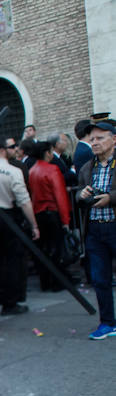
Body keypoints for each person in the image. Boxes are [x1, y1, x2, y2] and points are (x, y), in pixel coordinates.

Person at [0, 135, 40, 315]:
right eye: (12, 147)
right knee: (12, 261)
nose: (15, 150)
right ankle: (10, 302)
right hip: (9, 217)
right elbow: (24, 201)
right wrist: (33, 225)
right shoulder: (13, 171)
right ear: (3, 150)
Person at [76, 117, 116, 339]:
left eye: (100, 138)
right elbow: (79, 191)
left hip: (113, 225)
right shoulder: (86, 167)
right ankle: (108, 323)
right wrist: (81, 195)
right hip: (94, 229)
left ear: (114, 139)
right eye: (92, 139)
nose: (95, 143)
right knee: (100, 279)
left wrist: (110, 197)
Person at [28, 140, 72, 291]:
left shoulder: (32, 170)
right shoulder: (52, 169)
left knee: (44, 250)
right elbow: (60, 196)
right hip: (52, 213)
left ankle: (45, 282)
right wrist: (65, 220)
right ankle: (57, 282)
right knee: (56, 249)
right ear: (47, 152)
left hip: (38, 214)